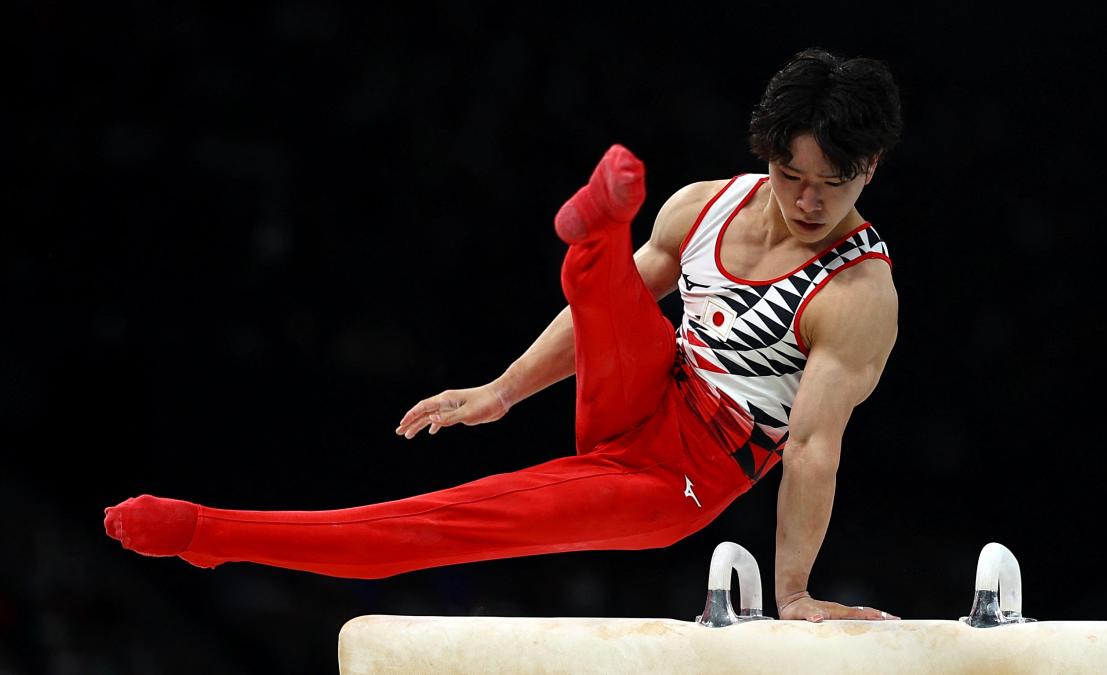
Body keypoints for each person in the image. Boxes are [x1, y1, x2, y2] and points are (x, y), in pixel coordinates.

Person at [104, 47, 903, 623]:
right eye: (790, 175)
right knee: (614, 288)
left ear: (868, 170)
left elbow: (811, 448)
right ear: (765, 152)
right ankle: (596, 238)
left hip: (680, 476)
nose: (805, 201)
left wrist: (792, 590)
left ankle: (206, 532)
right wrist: (502, 391)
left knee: (440, 524)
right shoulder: (703, 204)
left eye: (830, 185)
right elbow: (609, 323)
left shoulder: (858, 292)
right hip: (649, 384)